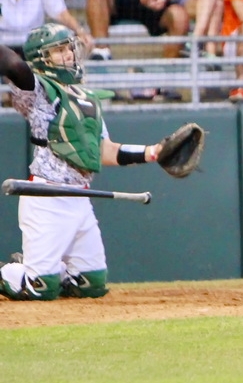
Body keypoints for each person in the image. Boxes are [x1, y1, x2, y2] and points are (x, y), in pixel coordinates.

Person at [0, 23, 168, 300]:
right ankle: (17, 272)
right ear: (41, 59)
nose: (67, 54)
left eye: (68, 48)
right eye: (57, 51)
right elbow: (15, 66)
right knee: (40, 288)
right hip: (47, 197)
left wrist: (153, 152)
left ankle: (45, 265)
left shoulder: (86, 98)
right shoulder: (38, 91)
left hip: (80, 197)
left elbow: (105, 151)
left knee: (91, 284)